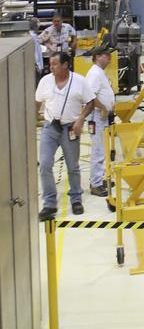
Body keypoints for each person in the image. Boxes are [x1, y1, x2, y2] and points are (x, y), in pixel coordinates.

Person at [35, 51, 95, 219]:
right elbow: (37, 101)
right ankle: (49, 203)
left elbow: (90, 102)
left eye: (54, 64)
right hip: (50, 128)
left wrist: (80, 119)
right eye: (50, 64)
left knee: (73, 166)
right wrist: (34, 121)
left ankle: (76, 198)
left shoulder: (79, 82)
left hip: (70, 128)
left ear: (65, 65)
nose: (51, 67)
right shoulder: (45, 81)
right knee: (45, 164)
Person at [85, 44, 115, 197]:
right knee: (98, 150)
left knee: (103, 149)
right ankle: (95, 184)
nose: (109, 57)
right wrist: (103, 108)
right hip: (97, 116)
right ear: (97, 57)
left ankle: (100, 177)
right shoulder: (95, 74)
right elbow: (90, 95)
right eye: (106, 55)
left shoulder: (99, 72)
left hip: (102, 116)